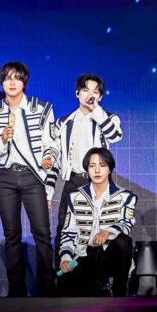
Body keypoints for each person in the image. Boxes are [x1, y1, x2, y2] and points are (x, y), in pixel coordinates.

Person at [0, 62, 57, 297]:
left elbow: (52, 144)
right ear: (1, 83)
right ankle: (16, 290)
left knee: (42, 233)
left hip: (33, 176)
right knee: (11, 235)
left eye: (17, 78)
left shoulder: (42, 108)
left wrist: (48, 158)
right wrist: (2, 140)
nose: (12, 82)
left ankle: (47, 288)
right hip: (5, 177)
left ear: (24, 82)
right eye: (7, 78)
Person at [51, 73, 123, 268]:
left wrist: (96, 110)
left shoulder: (108, 118)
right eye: (85, 90)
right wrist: (49, 191)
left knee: (99, 228)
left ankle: (98, 279)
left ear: (100, 97)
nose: (90, 95)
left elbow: (115, 136)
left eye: (95, 92)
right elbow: (54, 157)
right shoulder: (63, 122)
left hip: (98, 182)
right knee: (65, 228)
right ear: (77, 93)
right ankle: (62, 276)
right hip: (73, 180)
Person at [58, 148, 136, 297]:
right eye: (92, 166)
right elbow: (68, 233)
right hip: (84, 257)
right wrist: (66, 258)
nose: (97, 170)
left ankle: (120, 294)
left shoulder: (125, 197)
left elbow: (126, 223)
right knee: (67, 290)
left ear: (110, 169)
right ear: (87, 169)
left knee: (124, 241)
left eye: (102, 165)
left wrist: (108, 232)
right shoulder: (75, 197)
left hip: (110, 258)